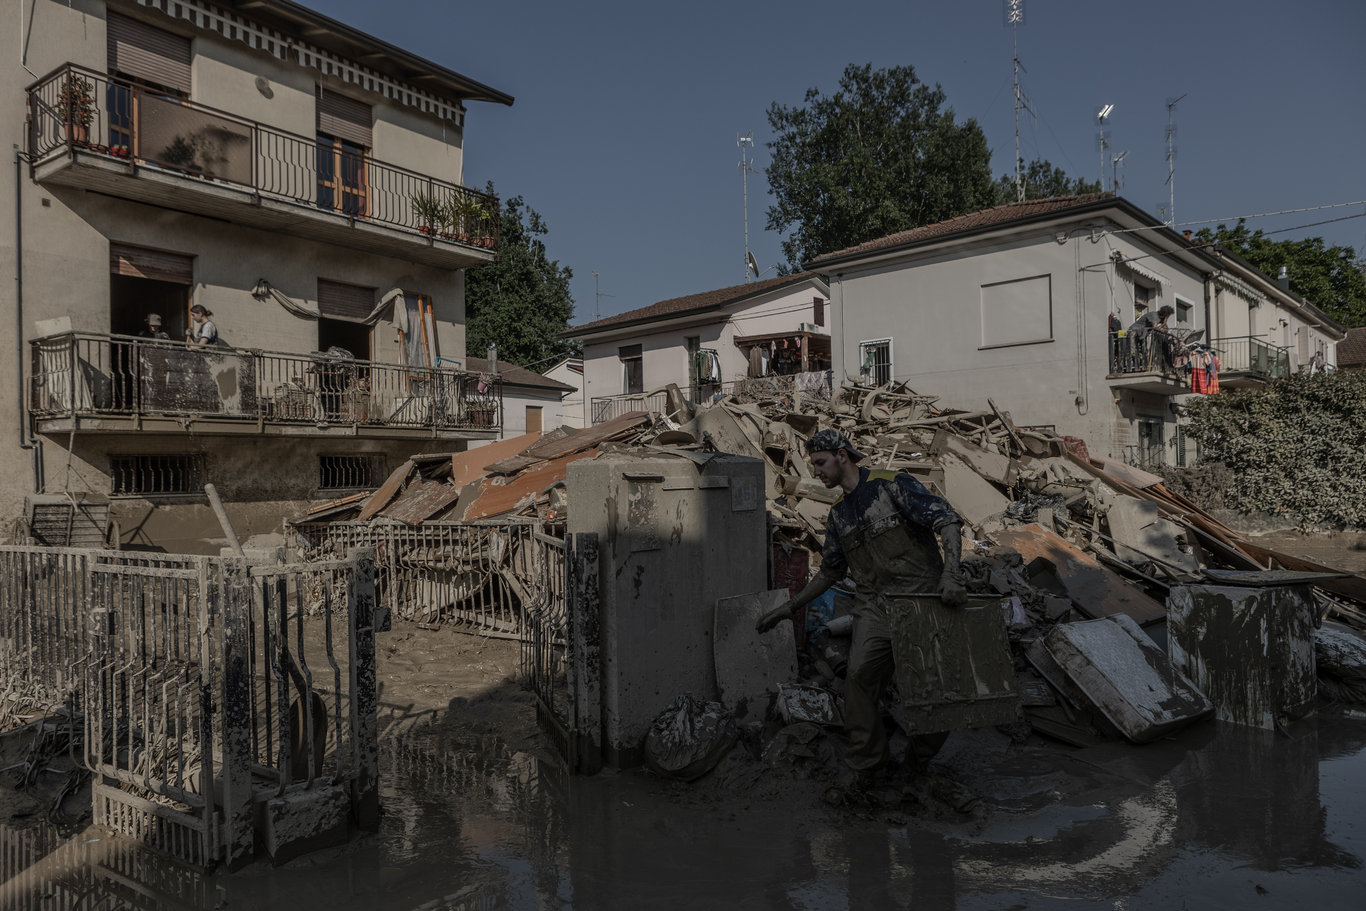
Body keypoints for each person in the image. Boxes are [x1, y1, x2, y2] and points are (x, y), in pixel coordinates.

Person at [756, 429, 967, 788]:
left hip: (921, 601)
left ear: (842, 455)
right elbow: (831, 571)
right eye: (813, 466)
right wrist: (789, 607)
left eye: (820, 463)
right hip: (874, 607)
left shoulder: (892, 484)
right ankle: (868, 764)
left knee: (934, 691)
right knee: (859, 680)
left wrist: (952, 575)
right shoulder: (838, 514)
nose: (817, 473)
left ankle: (918, 765)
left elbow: (946, 520)